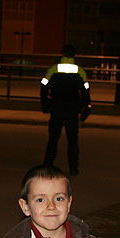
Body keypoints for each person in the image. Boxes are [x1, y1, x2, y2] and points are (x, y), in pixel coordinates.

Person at [40, 44, 91, 176]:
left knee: (53, 138)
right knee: (72, 140)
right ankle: (73, 168)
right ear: (74, 55)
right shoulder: (80, 71)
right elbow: (86, 91)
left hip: (56, 107)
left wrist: (45, 105)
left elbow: (44, 86)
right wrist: (86, 110)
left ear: (62, 54)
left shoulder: (53, 69)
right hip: (72, 109)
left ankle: (48, 163)